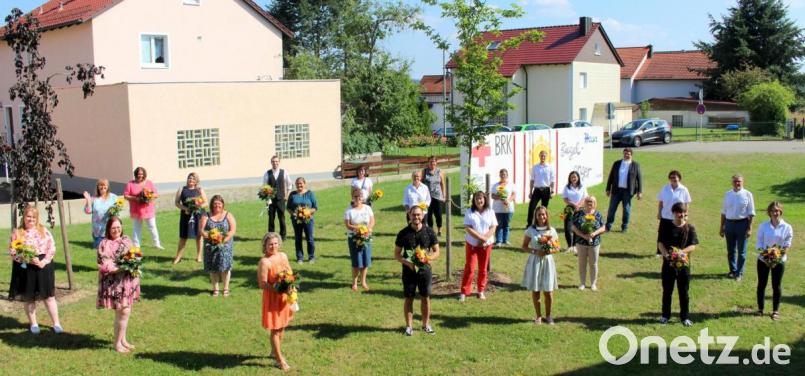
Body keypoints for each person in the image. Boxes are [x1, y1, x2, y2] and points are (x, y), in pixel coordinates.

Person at [8, 205, 63, 334]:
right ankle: (34, 324)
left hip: (43, 266)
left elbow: (52, 247)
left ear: (37, 218)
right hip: (26, 268)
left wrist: (43, 261)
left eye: (33, 217)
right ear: (24, 217)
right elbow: (12, 251)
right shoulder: (17, 233)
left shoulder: (44, 230)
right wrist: (25, 259)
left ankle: (56, 323)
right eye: (28, 216)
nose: (31, 219)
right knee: (29, 297)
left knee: (49, 296)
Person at [394, 206, 441, 336]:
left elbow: (437, 251)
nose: (416, 217)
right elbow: (397, 254)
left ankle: (426, 325)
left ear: (423, 216)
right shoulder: (403, 233)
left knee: (425, 297)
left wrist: (428, 258)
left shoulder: (429, 232)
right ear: (409, 216)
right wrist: (407, 262)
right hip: (408, 271)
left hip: (425, 271)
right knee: (409, 298)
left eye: (418, 215)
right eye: (414, 215)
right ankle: (409, 327)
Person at [96, 216, 140, 353]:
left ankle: (123, 340)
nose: (116, 230)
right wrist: (118, 268)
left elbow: (135, 255)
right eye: (113, 228)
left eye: (118, 227)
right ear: (109, 229)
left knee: (126, 312)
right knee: (122, 312)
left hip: (127, 283)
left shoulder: (126, 240)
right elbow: (103, 264)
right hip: (114, 284)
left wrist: (134, 262)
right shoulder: (104, 244)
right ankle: (117, 344)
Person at [657, 203, 699, 326]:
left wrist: (682, 252)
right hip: (668, 264)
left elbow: (693, 245)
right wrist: (666, 255)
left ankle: (684, 317)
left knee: (684, 291)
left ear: (685, 213)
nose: (680, 215)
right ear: (673, 213)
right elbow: (660, 243)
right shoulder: (666, 227)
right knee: (667, 291)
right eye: (678, 212)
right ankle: (665, 316)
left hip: (683, 266)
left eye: (682, 212)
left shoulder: (690, 228)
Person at [258, 233, 295, 371]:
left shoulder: (283, 256)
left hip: (284, 297)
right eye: (270, 244)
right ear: (265, 246)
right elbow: (262, 284)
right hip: (273, 298)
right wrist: (277, 288)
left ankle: (274, 352)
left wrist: (290, 284)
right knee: (275, 328)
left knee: (282, 326)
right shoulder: (264, 262)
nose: (273, 246)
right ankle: (280, 360)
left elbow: (289, 271)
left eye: (275, 243)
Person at [755, 201, 793, 320]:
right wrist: (766, 257)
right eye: (772, 210)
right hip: (763, 260)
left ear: (780, 212)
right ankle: (760, 309)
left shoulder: (787, 227)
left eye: (777, 210)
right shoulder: (763, 226)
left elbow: (787, 244)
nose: (775, 213)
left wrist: (777, 258)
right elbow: (759, 243)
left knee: (776, 285)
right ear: (769, 212)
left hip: (779, 260)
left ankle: (775, 311)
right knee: (762, 284)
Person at [521, 206, 559, 325]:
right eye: (539, 215)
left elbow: (557, 247)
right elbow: (524, 246)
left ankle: (548, 316)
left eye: (543, 214)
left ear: (547, 216)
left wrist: (548, 250)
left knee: (548, 291)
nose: (541, 217)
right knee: (536, 290)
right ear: (535, 217)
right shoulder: (531, 230)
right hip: (535, 261)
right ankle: (538, 316)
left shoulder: (551, 230)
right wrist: (535, 251)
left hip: (547, 261)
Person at [460, 191, 497, 302]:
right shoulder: (469, 212)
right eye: (476, 199)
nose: (479, 201)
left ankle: (481, 291)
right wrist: (480, 238)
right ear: (474, 200)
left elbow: (493, 227)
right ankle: (464, 291)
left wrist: (485, 239)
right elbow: (468, 228)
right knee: (470, 268)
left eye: (481, 198)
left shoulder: (490, 212)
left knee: (483, 269)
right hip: (472, 244)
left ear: (484, 199)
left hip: (486, 245)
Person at [199, 195, 237, 297]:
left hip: (225, 245)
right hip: (210, 245)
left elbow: (232, 230)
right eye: (215, 203)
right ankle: (215, 289)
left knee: (225, 267)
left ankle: (225, 289)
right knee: (213, 268)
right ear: (212, 204)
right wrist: (212, 238)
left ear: (223, 205)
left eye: (219, 204)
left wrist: (222, 240)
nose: (217, 206)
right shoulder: (206, 215)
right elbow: (202, 230)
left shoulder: (228, 215)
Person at [720, 174, 755, 281]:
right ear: (732, 182)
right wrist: (721, 227)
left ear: (742, 182)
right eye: (735, 181)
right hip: (729, 224)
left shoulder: (748, 194)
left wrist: (749, 228)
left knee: (742, 251)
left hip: (742, 224)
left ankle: (739, 273)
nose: (737, 183)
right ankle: (733, 270)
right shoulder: (727, 194)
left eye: (739, 181)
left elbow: (751, 213)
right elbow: (723, 212)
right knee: (730, 250)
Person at [123, 167, 163, 249]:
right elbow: (126, 195)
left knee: (152, 227)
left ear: (144, 174)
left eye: (141, 174)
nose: (140, 175)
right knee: (137, 228)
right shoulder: (130, 184)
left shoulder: (149, 183)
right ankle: (137, 245)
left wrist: (149, 196)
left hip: (148, 209)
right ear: (135, 174)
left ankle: (157, 244)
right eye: (138, 174)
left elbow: (156, 194)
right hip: (136, 210)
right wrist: (135, 198)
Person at [572, 196, 605, 291]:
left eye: (592, 202)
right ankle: (582, 283)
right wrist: (583, 235)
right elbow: (573, 227)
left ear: (595, 203)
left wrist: (594, 233)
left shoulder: (598, 214)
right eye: (588, 201)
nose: (590, 203)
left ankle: (593, 284)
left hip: (594, 243)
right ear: (585, 203)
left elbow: (603, 227)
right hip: (581, 243)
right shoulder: (579, 213)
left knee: (593, 264)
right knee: (582, 263)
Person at [605, 148, 642, 232]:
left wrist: (640, 191)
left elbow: (639, 179)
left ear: (631, 155)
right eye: (625, 153)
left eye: (628, 154)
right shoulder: (617, 163)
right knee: (612, 209)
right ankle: (608, 226)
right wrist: (608, 188)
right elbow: (611, 176)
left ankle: (624, 227)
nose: (627, 155)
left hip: (628, 192)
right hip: (616, 190)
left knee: (626, 210)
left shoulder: (635, 165)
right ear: (623, 154)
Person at [173, 172, 208, 264]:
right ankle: (178, 257)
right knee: (183, 237)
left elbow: (206, 203)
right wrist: (186, 208)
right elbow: (177, 203)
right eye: (189, 178)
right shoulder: (181, 189)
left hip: (198, 215)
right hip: (185, 215)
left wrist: (197, 207)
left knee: (199, 236)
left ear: (196, 181)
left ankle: (199, 256)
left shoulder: (199, 190)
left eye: (193, 178)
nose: (191, 180)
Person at [344, 187, 375, 291]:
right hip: (354, 238)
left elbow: (372, 221)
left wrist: (367, 229)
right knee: (357, 261)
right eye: (355, 196)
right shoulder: (349, 210)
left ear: (362, 197)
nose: (357, 198)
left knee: (366, 260)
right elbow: (348, 225)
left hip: (366, 237)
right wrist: (358, 229)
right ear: (352, 197)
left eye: (359, 196)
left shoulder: (367, 208)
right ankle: (354, 283)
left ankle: (363, 281)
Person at [656, 170, 691, 256]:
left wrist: (685, 215)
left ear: (679, 178)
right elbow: (660, 202)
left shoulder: (684, 189)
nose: (673, 179)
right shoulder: (665, 188)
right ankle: (659, 252)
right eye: (671, 177)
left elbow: (686, 204)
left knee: (675, 235)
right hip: (666, 216)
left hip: (678, 217)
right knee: (661, 234)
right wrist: (659, 213)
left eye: (675, 177)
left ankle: (677, 252)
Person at [287, 177, 318, 264]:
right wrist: (294, 214)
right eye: (297, 183)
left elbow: (315, 207)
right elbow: (288, 208)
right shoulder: (292, 194)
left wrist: (307, 212)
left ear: (304, 184)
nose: (299, 185)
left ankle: (311, 257)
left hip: (308, 220)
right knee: (298, 238)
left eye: (301, 183)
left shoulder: (310, 193)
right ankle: (299, 257)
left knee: (310, 238)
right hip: (296, 220)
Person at [83, 179, 120, 248]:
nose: (103, 187)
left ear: (108, 187)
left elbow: (118, 210)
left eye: (105, 185)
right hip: (98, 231)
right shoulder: (94, 198)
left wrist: (115, 211)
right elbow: (88, 211)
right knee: (101, 248)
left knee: (114, 247)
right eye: (101, 185)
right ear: (98, 187)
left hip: (111, 229)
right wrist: (88, 200)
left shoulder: (114, 197)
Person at [263, 155, 292, 240]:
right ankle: (270, 236)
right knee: (271, 219)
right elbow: (264, 187)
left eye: (276, 161)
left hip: (281, 199)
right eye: (273, 162)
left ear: (279, 162)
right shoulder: (267, 173)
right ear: (271, 163)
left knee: (282, 218)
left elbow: (290, 185)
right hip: (271, 200)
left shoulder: (284, 172)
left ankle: (283, 236)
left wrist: (287, 195)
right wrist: (267, 198)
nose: (275, 163)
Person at [561, 171, 588, 253]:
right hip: (569, 209)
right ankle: (569, 246)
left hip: (580, 209)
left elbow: (585, 198)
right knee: (567, 227)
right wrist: (573, 204)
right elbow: (565, 199)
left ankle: (575, 246)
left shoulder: (582, 186)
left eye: (575, 177)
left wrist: (578, 206)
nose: (573, 178)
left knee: (578, 227)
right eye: (572, 177)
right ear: (569, 178)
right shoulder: (567, 187)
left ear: (578, 178)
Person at [527, 150, 555, 227]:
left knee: (544, 209)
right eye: (541, 155)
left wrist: (552, 191)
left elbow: (552, 180)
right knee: (532, 206)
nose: (543, 157)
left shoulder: (550, 167)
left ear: (546, 157)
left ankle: (544, 223)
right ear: (539, 156)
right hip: (537, 190)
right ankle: (529, 224)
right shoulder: (535, 167)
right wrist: (530, 191)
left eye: (544, 156)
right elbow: (532, 180)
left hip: (546, 189)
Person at [491, 168, 516, 246]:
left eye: (504, 174)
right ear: (499, 175)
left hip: (508, 209)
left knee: (506, 225)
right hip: (497, 209)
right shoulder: (496, 185)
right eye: (501, 174)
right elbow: (492, 195)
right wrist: (500, 198)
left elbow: (513, 194)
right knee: (498, 225)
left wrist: (508, 200)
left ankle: (505, 240)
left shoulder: (511, 185)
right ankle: (498, 240)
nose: (503, 176)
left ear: (507, 175)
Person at [423, 156, 446, 236]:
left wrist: (444, 195)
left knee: (438, 214)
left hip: (437, 196)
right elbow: (421, 182)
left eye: (434, 161)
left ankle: (439, 229)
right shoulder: (424, 171)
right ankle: (431, 230)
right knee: (428, 214)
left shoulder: (440, 172)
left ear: (436, 162)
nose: (432, 163)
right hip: (427, 197)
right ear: (428, 162)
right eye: (430, 161)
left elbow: (442, 184)